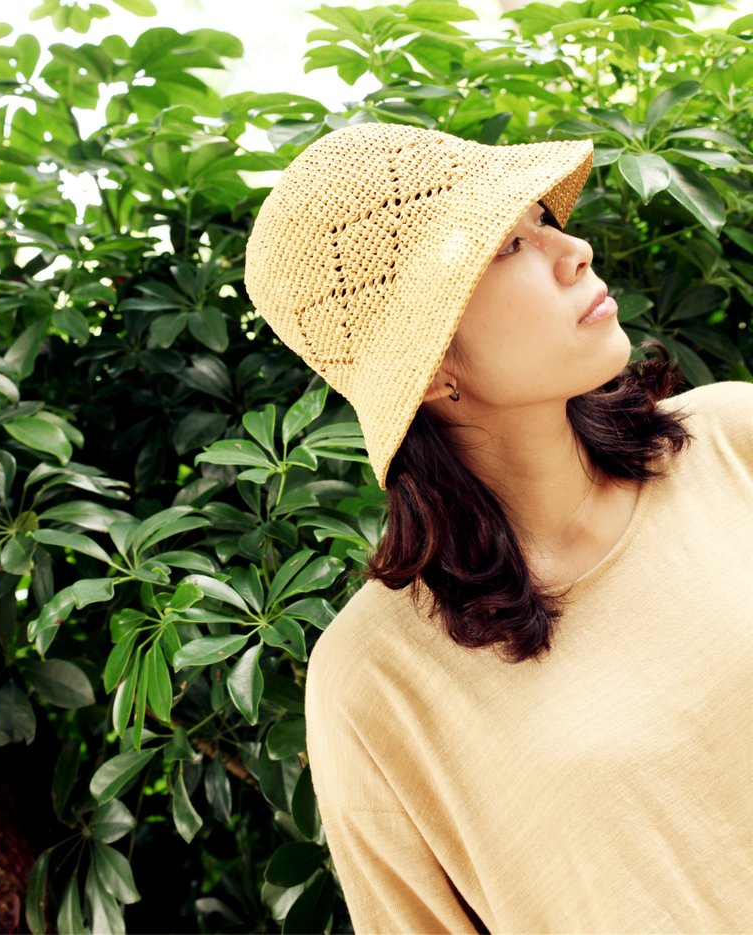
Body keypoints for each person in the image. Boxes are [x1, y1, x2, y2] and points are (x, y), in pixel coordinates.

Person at [244, 122, 753, 934]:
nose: (574, 249)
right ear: (430, 360)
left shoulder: (734, 440)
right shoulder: (373, 682)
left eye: (543, 222)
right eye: (506, 246)